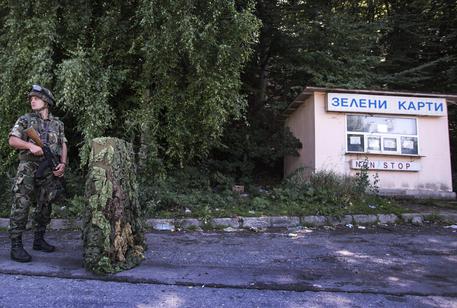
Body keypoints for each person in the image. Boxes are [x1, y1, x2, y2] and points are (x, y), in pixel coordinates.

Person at [8, 84, 68, 262]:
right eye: (31, 98)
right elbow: (12, 140)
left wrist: (62, 164)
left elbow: (63, 144)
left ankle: (39, 239)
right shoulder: (26, 119)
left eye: (37, 98)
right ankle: (16, 245)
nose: (32, 100)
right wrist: (29, 145)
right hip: (28, 167)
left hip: (49, 168)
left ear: (47, 101)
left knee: (45, 204)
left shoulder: (58, 124)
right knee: (22, 204)